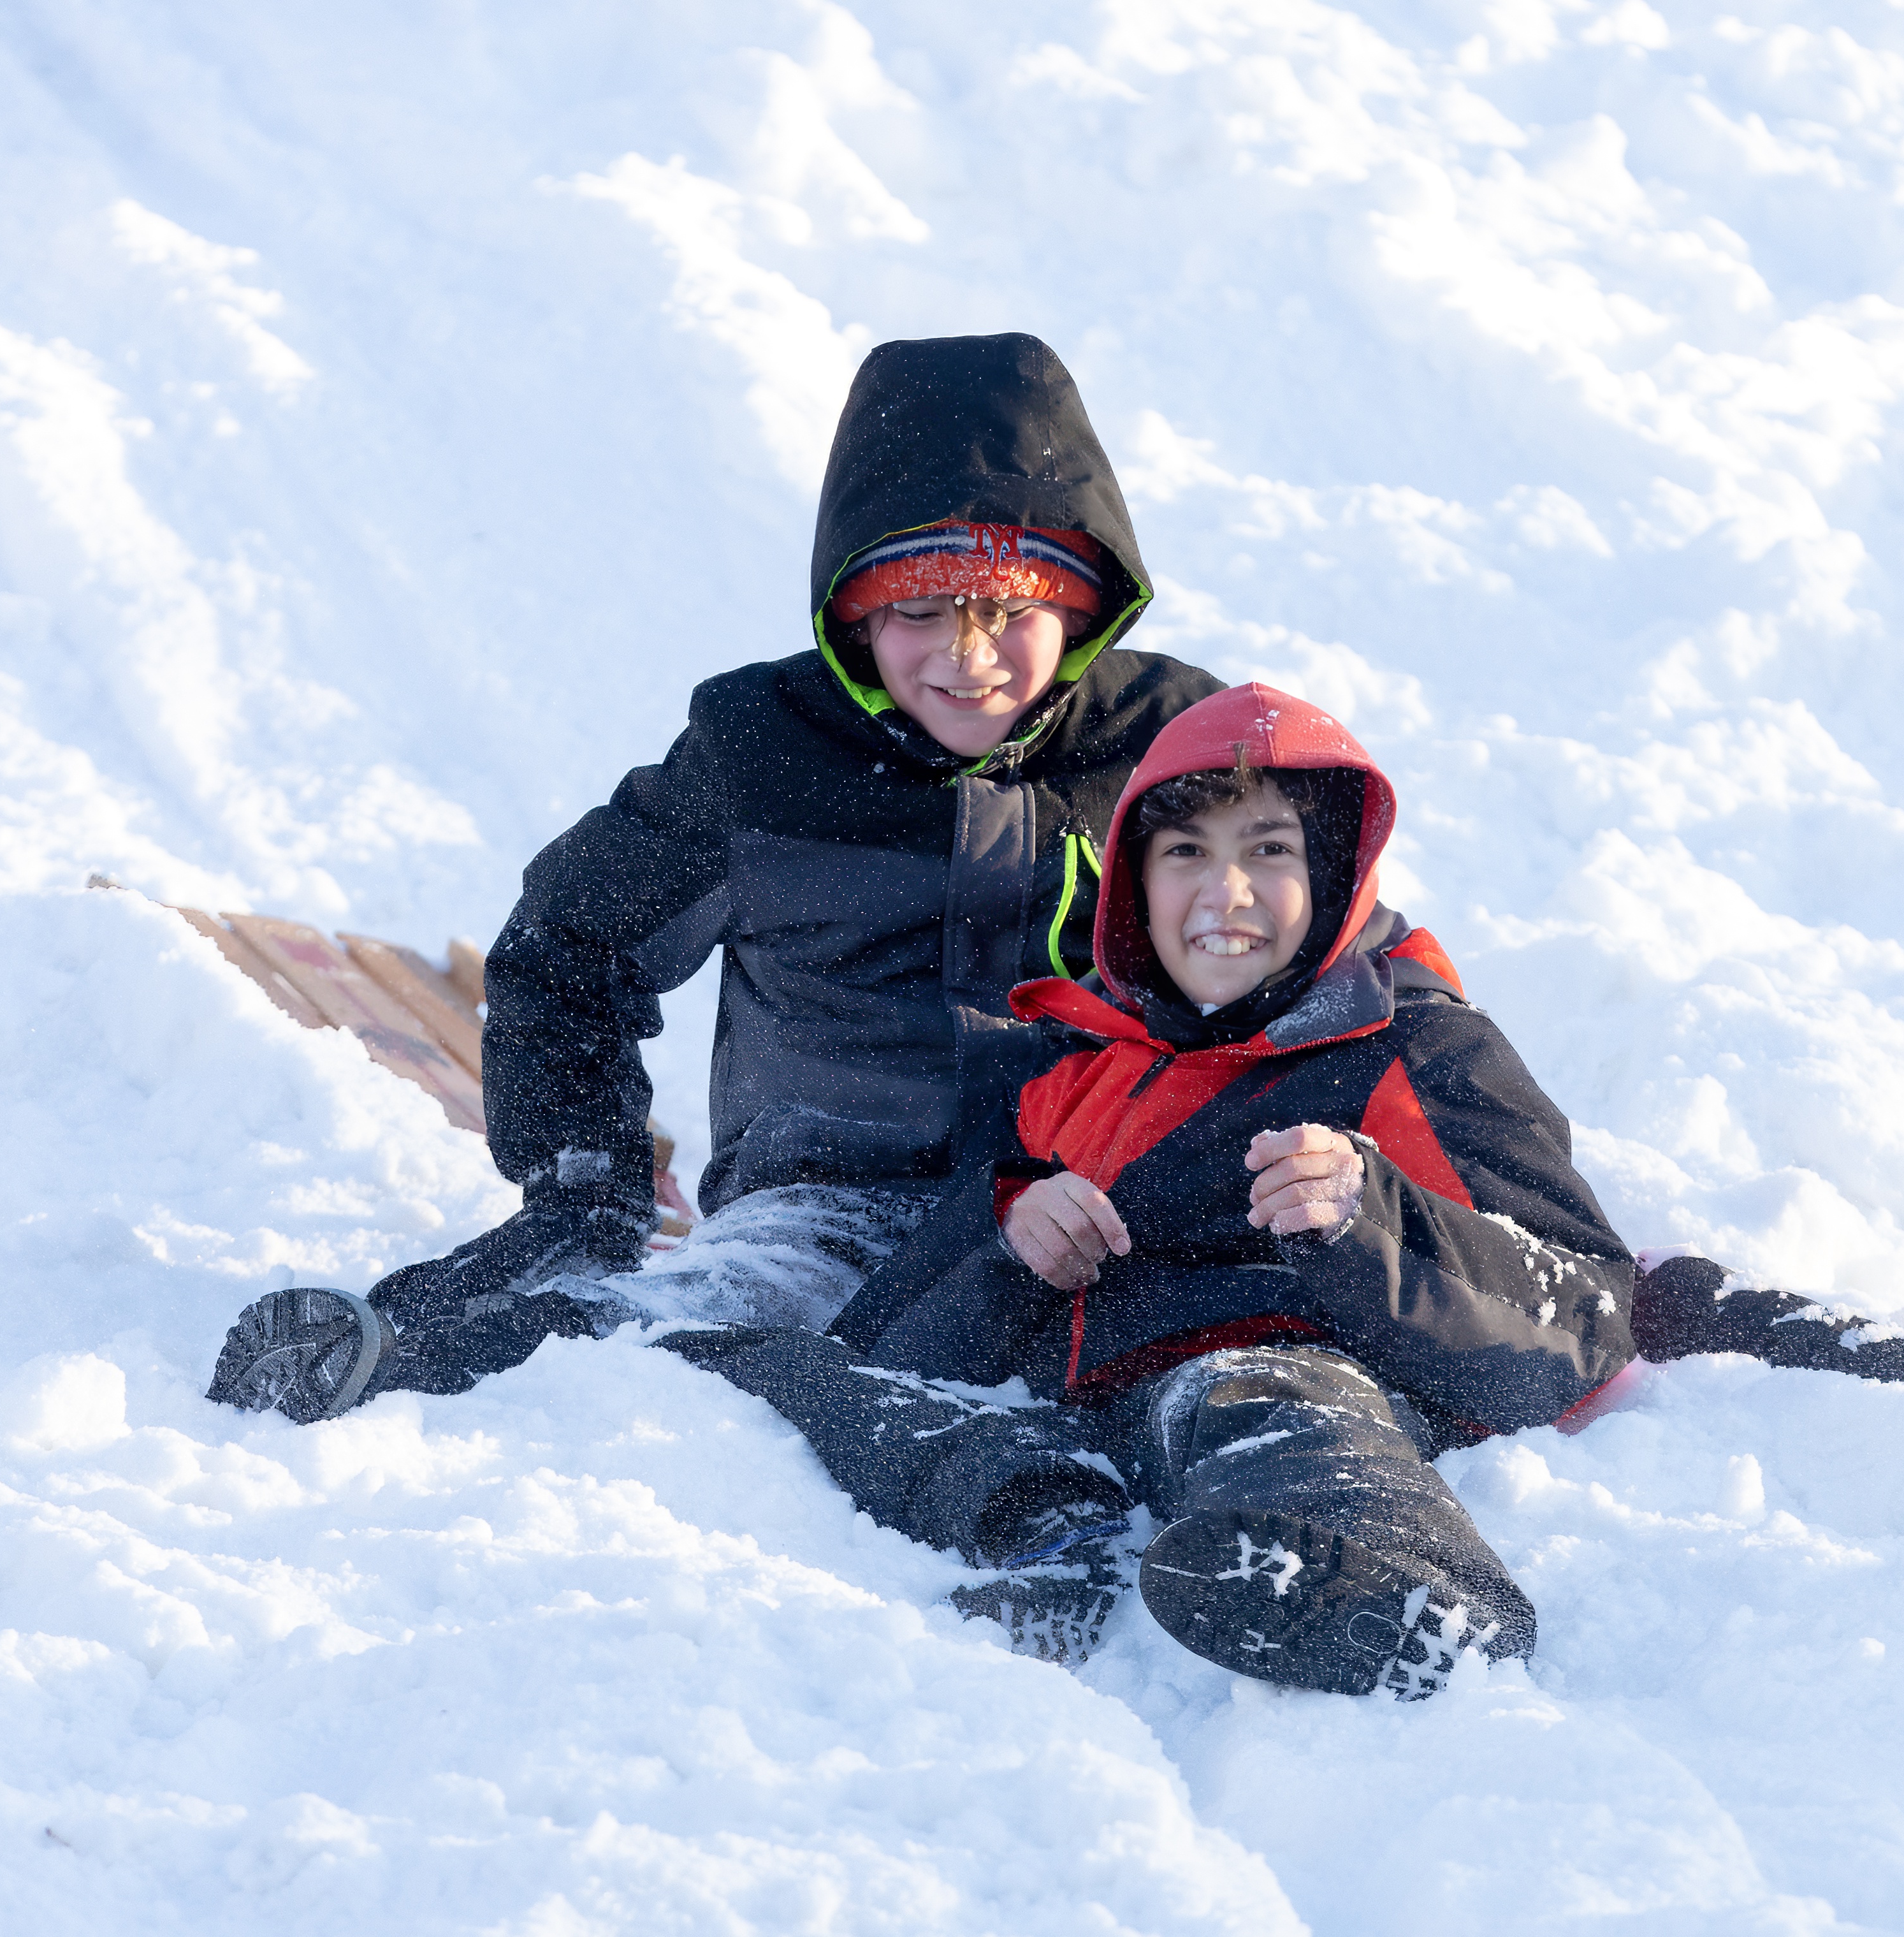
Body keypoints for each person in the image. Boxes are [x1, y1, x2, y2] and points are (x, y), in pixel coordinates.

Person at [637, 685, 1904, 1697]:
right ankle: (1052, 1532)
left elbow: (1582, 1309)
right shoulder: (1062, 1061)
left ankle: (1391, 1581)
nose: (1224, 895)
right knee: (808, 1376)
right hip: (1074, 1422)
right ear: (1132, 881)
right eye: (1184, 853)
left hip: (1293, 1371)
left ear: (1333, 879)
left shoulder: (1406, 1042)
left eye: (1270, 854)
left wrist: (1372, 1217)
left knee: (1258, 1395)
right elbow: (905, 1335)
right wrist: (1014, 1245)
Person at [206, 332, 1224, 1423]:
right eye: (918, 611)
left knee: (1199, 1376)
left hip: (1099, 1199)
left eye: (1009, 613)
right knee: (690, 1337)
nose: (964, 660)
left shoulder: (1169, 745)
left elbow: (1316, 955)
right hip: (835, 1206)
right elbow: (574, 936)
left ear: (1080, 606)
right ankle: (403, 1367)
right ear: (856, 611)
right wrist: (583, 1179)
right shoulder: (767, 755)